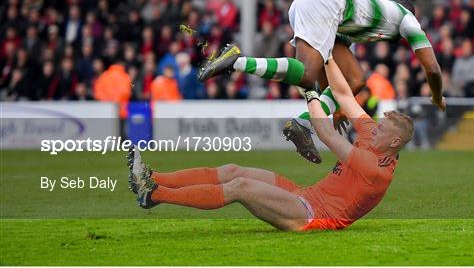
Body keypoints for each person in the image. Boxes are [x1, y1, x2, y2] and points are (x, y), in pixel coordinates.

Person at [128, 56, 414, 231]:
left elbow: (326, 134)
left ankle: (154, 194)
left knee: (240, 187)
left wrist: (309, 93)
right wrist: (326, 53)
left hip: (311, 215)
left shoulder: (377, 169)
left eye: (382, 129)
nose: (373, 128)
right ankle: (150, 177)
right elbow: (344, 94)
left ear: (395, 141)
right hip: (306, 195)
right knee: (232, 170)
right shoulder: (371, 136)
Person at [198, 0, 444, 163]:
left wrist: (331, 109)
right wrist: (436, 96)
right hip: (324, 4)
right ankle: (237, 61)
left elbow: (333, 69)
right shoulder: (406, 18)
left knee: (355, 80)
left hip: (311, 3)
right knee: (306, 73)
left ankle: (302, 123)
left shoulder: (370, 17)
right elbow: (432, 68)